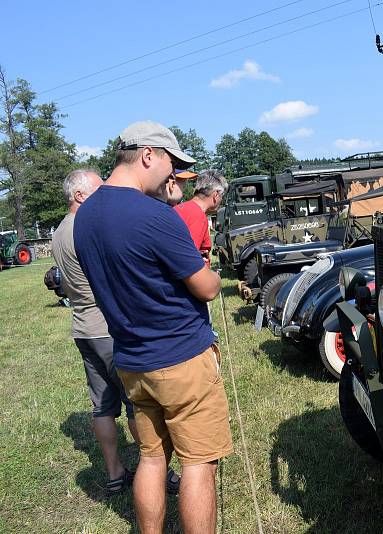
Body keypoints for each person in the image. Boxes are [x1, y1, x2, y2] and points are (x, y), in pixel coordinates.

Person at [74, 121, 233, 534]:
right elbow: (205, 287)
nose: (173, 175)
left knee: (150, 456)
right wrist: (212, 276)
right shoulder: (154, 216)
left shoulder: (85, 215)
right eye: (171, 164)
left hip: (131, 361)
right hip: (181, 359)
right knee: (199, 462)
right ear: (148, 155)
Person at [51, 169, 140, 496]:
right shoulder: (88, 227)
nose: (105, 197)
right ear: (79, 196)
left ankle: (115, 473)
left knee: (102, 406)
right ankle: (155, 469)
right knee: (137, 403)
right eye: (98, 191)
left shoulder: (60, 231)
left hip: (83, 328)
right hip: (108, 328)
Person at [174, 169, 228, 267]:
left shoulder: (181, 208)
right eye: (222, 196)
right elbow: (188, 259)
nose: (221, 200)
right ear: (216, 195)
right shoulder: (197, 215)